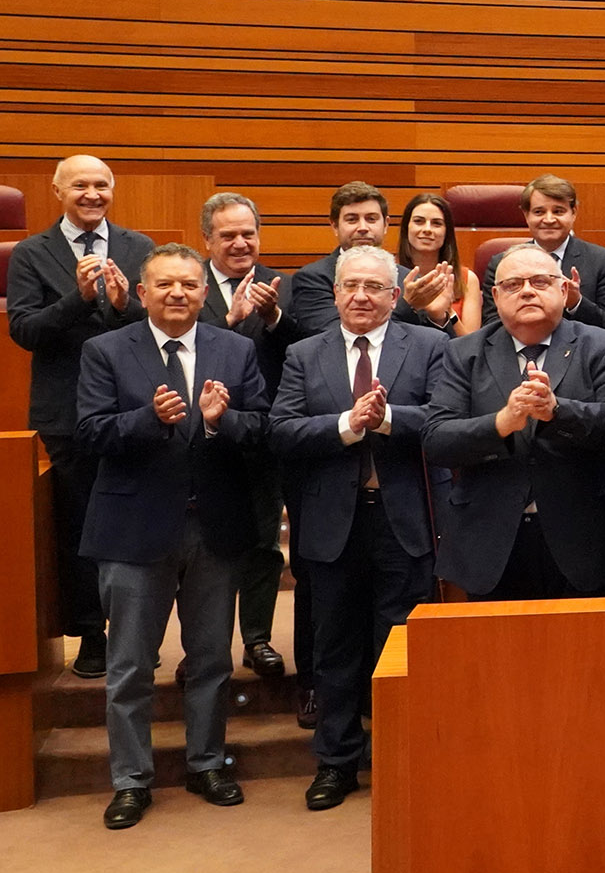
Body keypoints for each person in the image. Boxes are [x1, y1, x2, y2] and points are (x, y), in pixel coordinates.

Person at [73, 245, 270, 829]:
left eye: (188, 284)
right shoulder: (105, 350)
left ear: (204, 292)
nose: (178, 293)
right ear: (142, 292)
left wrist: (219, 421)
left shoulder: (236, 349)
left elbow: (260, 426)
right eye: (164, 285)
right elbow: (87, 433)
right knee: (130, 666)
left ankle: (207, 764)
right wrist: (147, 420)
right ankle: (131, 780)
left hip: (214, 527)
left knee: (210, 660)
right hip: (134, 531)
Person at [271, 246, 445, 812]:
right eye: (352, 286)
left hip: (404, 522)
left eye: (374, 287)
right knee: (335, 650)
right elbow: (283, 431)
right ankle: (336, 762)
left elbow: (446, 420)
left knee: (399, 649)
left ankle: (400, 759)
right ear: (336, 292)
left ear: (395, 296)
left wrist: (389, 419)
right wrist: (348, 424)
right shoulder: (303, 353)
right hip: (329, 525)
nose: (362, 297)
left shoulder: (429, 346)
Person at [6, 155, 151, 676]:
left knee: (137, 521)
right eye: (80, 186)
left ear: (114, 189)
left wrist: (121, 305)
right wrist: (79, 298)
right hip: (67, 412)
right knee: (81, 525)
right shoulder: (30, 252)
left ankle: (138, 632)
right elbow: (24, 331)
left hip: (135, 405)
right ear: (57, 191)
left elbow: (159, 318)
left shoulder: (139, 248)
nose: (92, 194)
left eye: (102, 185)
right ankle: (91, 632)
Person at [421, 243, 605, 601]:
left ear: (564, 291)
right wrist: (501, 422)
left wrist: (556, 411)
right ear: (496, 297)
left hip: (586, 538)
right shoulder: (463, 353)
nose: (528, 291)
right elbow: (437, 440)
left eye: (540, 282)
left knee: (591, 656)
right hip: (491, 541)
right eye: (514, 285)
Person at [198, 191, 294, 679]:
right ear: (207, 240)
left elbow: (302, 350)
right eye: (228, 235)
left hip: (262, 433)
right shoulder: (186, 281)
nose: (240, 243)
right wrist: (228, 321)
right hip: (201, 436)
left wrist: (274, 318)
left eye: (248, 233)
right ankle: (203, 649)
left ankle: (257, 639)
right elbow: (170, 339)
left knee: (262, 542)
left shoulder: (283, 285)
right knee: (204, 548)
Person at [286, 183, 439, 339]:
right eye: (352, 219)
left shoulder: (409, 279)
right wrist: (407, 305)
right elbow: (334, 336)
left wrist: (441, 317)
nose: (363, 227)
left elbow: (430, 343)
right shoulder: (312, 278)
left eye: (371, 219)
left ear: (386, 224)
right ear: (335, 226)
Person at [484, 175, 605, 336]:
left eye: (558, 211)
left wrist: (576, 303)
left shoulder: (603, 261)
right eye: (539, 212)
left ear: (574, 213)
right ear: (526, 215)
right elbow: (491, 327)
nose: (549, 219)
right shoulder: (501, 264)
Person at [396, 191, 480, 337]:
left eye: (436, 223)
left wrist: (447, 313)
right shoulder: (387, 273)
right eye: (419, 221)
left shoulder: (467, 278)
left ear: (447, 232)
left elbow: (472, 349)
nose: (427, 229)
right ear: (406, 228)